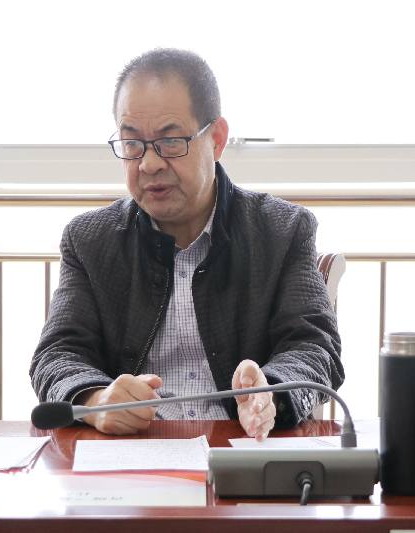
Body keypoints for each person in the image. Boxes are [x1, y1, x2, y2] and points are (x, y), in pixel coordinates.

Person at [30, 48, 342, 440]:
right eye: (132, 143)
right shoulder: (90, 239)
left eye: (170, 140)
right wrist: (96, 401)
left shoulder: (282, 230)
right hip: (131, 455)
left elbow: (316, 349)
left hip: (242, 448)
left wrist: (271, 394)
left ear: (217, 139)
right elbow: (56, 355)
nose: (149, 164)